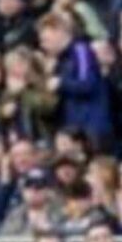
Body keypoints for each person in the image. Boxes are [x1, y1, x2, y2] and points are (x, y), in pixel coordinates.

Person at [37, 12, 113, 152]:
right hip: (73, 128)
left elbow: (87, 84)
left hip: (91, 127)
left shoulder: (80, 50)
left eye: (45, 39)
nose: (43, 45)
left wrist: (61, 83)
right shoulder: (58, 60)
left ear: (59, 31)